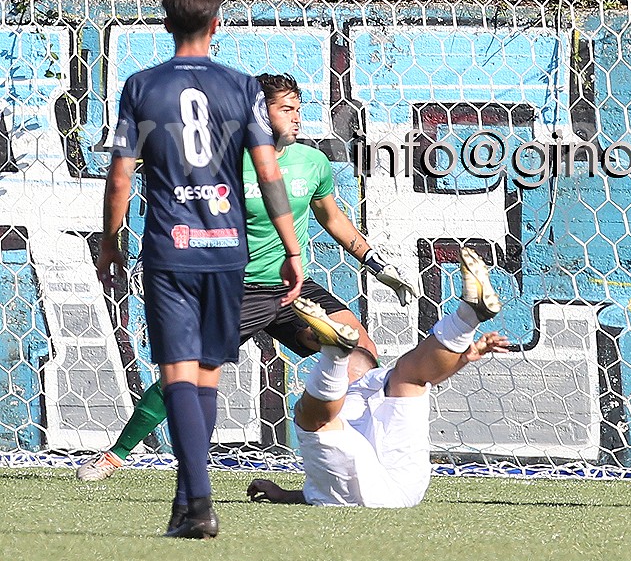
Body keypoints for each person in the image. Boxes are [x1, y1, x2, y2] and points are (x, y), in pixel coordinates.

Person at [79, 72, 420, 483]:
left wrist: (377, 264)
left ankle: (368, 455)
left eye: (299, 109)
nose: (297, 118)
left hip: (293, 288)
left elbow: (332, 218)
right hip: (234, 292)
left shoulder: (312, 163)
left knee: (362, 352)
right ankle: (116, 455)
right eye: (287, 109)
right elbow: (140, 173)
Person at [96, 0, 304, 540]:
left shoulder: (142, 85)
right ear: (217, 25)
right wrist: (290, 247)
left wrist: (111, 240)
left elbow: (121, 174)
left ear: (166, 24)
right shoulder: (241, 88)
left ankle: (199, 502)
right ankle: (188, 504)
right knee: (207, 374)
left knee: (176, 372)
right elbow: (268, 172)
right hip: (225, 250)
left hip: (171, 247)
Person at [247, 247, 506, 508]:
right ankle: (468, 317)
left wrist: (284, 495)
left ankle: (334, 355)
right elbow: (426, 376)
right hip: (406, 482)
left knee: (312, 418)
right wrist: (460, 358)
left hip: (384, 493)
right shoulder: (383, 380)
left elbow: (335, 475)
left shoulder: (352, 394)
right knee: (410, 377)